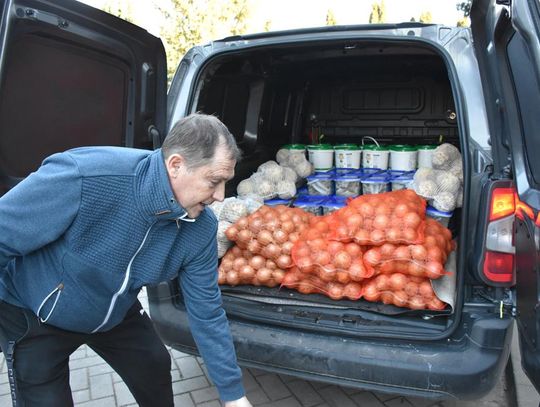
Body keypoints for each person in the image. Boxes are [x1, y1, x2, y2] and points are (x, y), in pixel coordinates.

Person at [0, 113, 252, 407]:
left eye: (226, 182)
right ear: (176, 165)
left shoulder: (201, 228)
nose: (221, 196)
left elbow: (206, 313)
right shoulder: (85, 177)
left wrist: (233, 395)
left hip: (113, 308)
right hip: (35, 312)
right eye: (214, 181)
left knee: (154, 363)